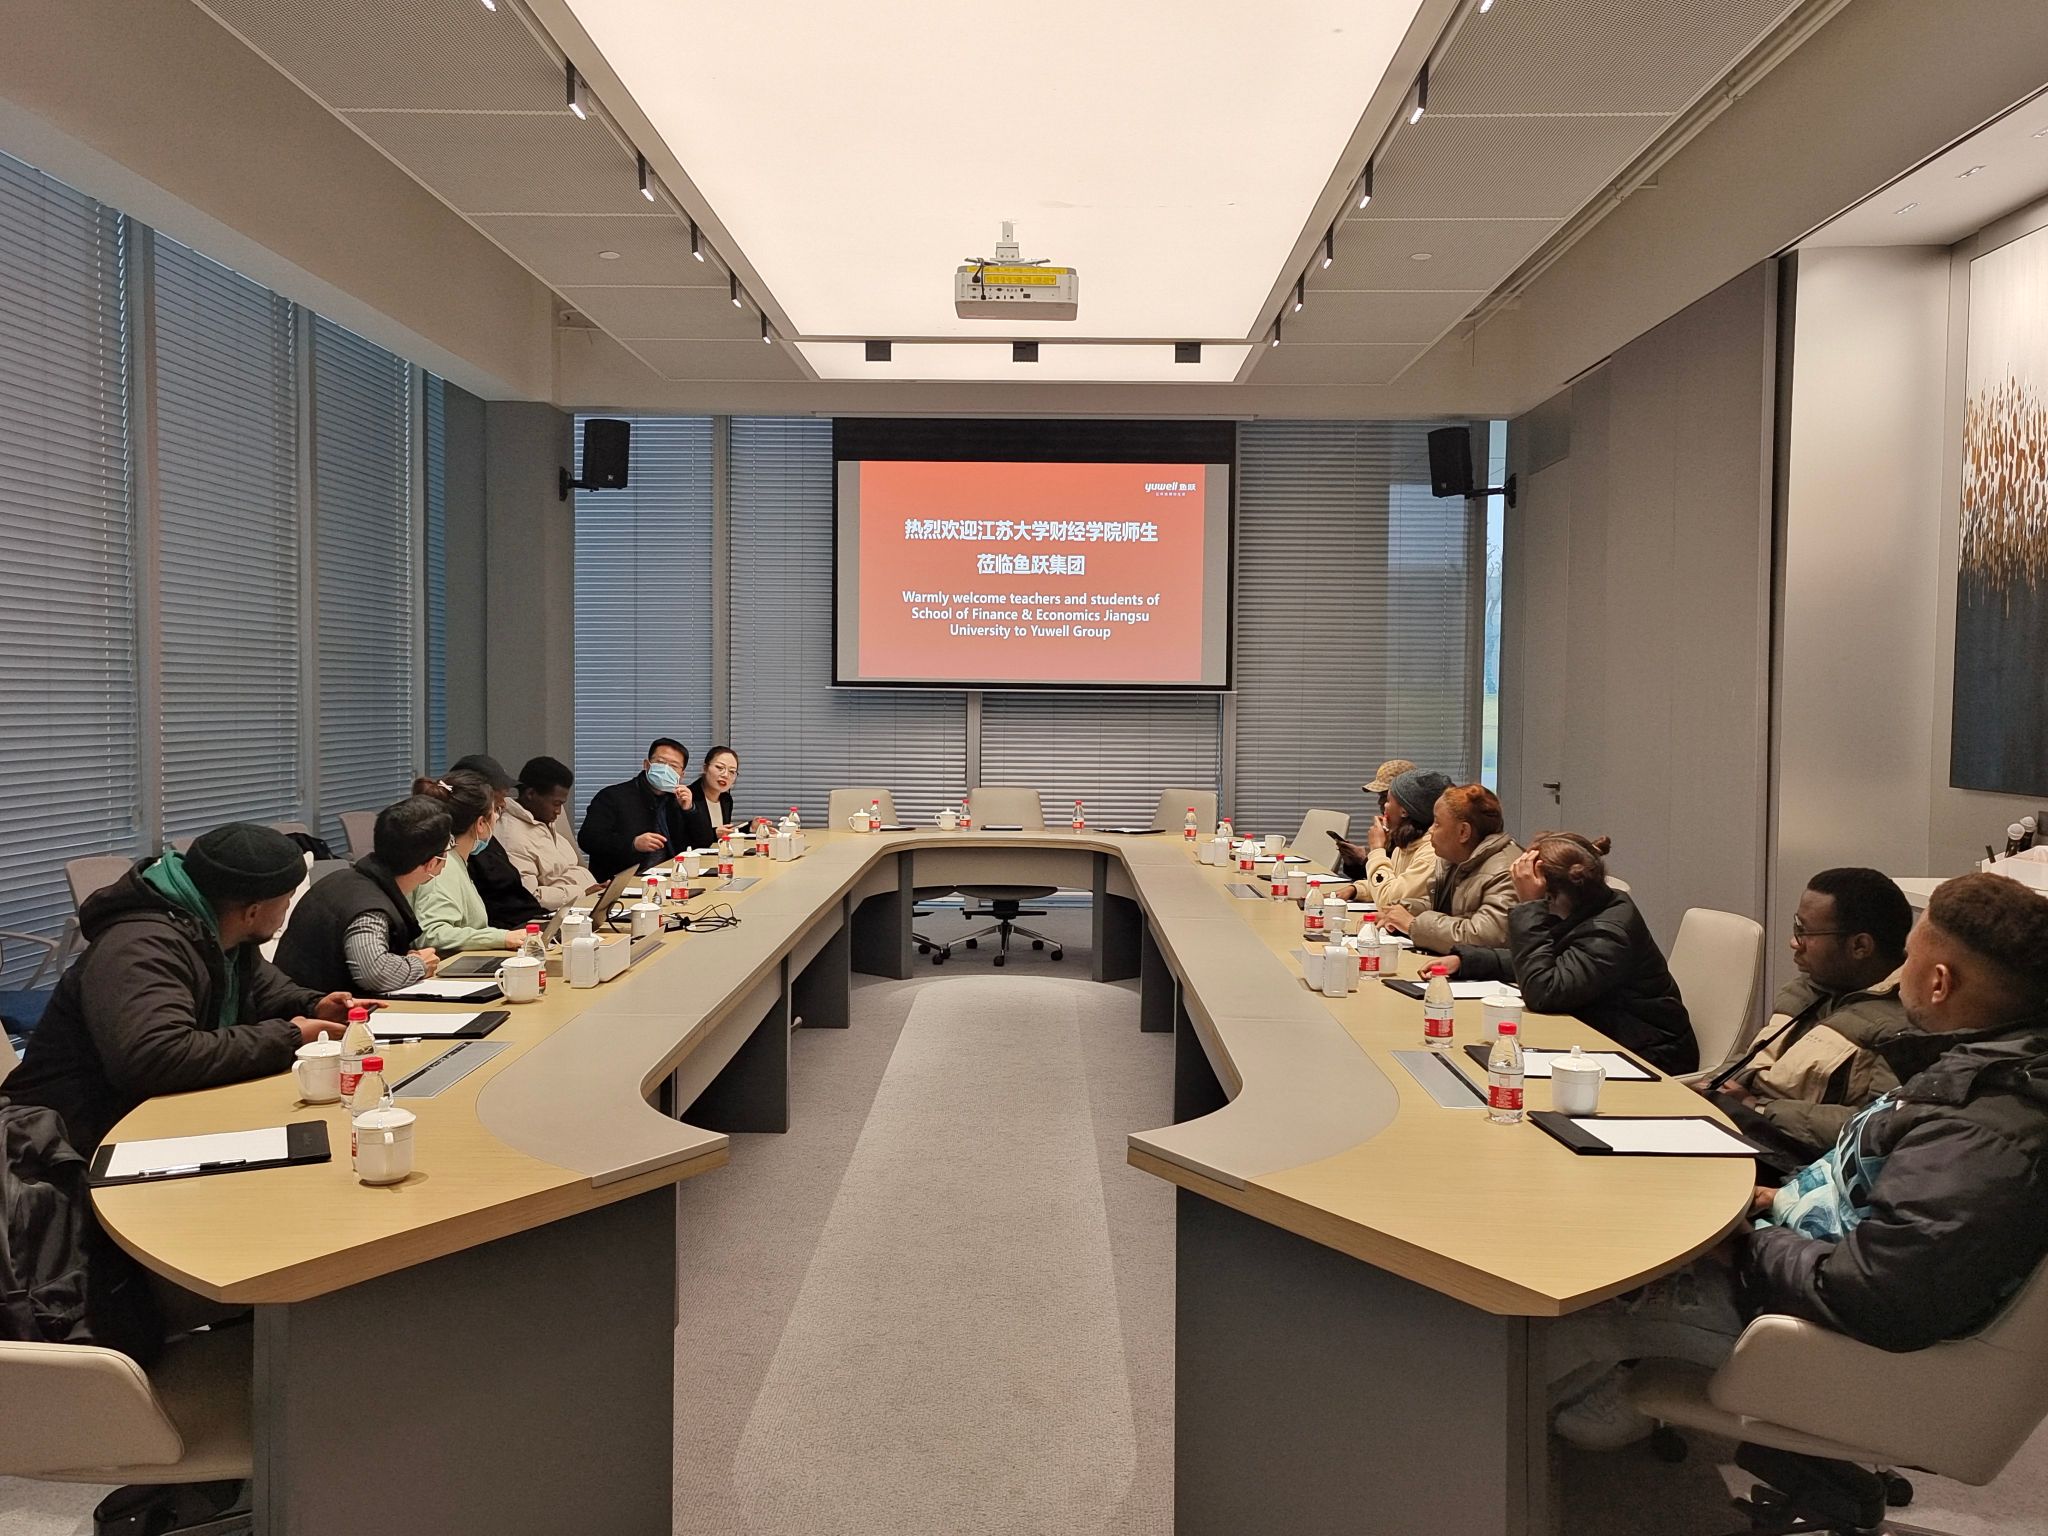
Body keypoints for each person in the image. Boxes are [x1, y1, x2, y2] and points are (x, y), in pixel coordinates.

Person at [1550, 872, 2048, 1450]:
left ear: (1939, 982)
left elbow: (1877, 1293)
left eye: (1909, 956)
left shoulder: (1983, 1129)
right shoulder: (1976, 1067)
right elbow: (1868, 1189)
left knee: (1573, 1296)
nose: (1898, 970)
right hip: (1798, 1256)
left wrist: (1744, 1246)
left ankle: (1505, 1455)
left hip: (1813, 1328)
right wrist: (1773, 1199)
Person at [3, 823, 362, 1156]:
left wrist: (313, 1005)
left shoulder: (219, 931)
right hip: (68, 1145)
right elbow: (156, 1058)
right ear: (252, 912)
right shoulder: (140, 947)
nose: (287, 909)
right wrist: (289, 1037)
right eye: (286, 899)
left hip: (150, 1117)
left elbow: (264, 987)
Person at [1702, 867, 1913, 1165]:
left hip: (1798, 1160)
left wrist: (1759, 1108)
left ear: (1860, 946)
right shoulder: (1809, 988)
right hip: (1741, 1128)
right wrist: (1709, 1085)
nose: (1794, 942)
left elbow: (1878, 1125)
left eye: (1805, 932)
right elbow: (1754, 1057)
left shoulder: (1906, 1023)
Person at [1443, 833, 1698, 1073]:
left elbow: (1544, 991)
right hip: (1606, 1036)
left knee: (1501, 1067)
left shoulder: (1608, 933)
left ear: (1555, 895)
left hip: (1650, 1055)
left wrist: (1529, 906)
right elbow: (1550, 961)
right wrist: (1470, 961)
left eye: (1544, 899)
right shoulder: (1588, 906)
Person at [274, 795, 450, 995]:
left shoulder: (344, 879)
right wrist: (419, 964)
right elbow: (374, 973)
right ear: (432, 863)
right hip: (308, 1010)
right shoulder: (370, 909)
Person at [1377, 784, 1521, 952]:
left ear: (1463, 832)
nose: (1430, 830)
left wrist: (1412, 924)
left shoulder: (1504, 870)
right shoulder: (1457, 857)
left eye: (1437, 823)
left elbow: (1486, 936)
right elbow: (1442, 908)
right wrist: (1399, 910)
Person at [409, 772, 525, 954]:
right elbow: (432, 933)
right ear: (481, 823)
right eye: (495, 811)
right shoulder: (443, 866)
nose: (497, 817)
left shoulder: (456, 860)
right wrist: (501, 938)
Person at [448, 752, 548, 930]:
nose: (503, 806)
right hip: (503, 932)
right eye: (497, 805)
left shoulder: (483, 841)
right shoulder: (447, 859)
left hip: (523, 923)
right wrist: (506, 937)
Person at [578, 738, 697, 880]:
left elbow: (701, 843)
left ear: (681, 775)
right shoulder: (612, 796)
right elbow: (588, 840)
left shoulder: (678, 800)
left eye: (673, 766)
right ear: (646, 765)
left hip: (671, 878)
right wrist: (633, 843)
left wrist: (689, 810)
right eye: (660, 762)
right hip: (622, 881)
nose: (666, 769)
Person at [1333, 768, 1449, 911]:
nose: (1383, 806)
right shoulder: (1405, 844)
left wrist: (1377, 849)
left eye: (1388, 800)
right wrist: (1357, 889)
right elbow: (1391, 883)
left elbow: (1389, 900)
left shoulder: (1430, 853)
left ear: (1404, 811)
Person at [497, 756, 599, 911]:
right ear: (531, 794)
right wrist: (582, 893)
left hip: (581, 905)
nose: (558, 811)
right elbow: (530, 897)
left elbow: (570, 869)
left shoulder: (542, 820)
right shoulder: (512, 836)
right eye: (556, 804)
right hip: (552, 915)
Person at [1330, 758, 1415, 879]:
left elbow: (1390, 882)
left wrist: (1366, 857)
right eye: (1381, 796)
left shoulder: (1413, 839)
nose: (1381, 803)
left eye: (1386, 797)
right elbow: (1372, 881)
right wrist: (1354, 862)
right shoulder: (1393, 831)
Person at [674, 745, 740, 852]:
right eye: (719, 768)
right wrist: (714, 833)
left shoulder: (726, 799)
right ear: (705, 768)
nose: (725, 775)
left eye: (732, 771)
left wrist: (750, 827)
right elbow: (682, 839)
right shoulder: (686, 797)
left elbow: (723, 832)